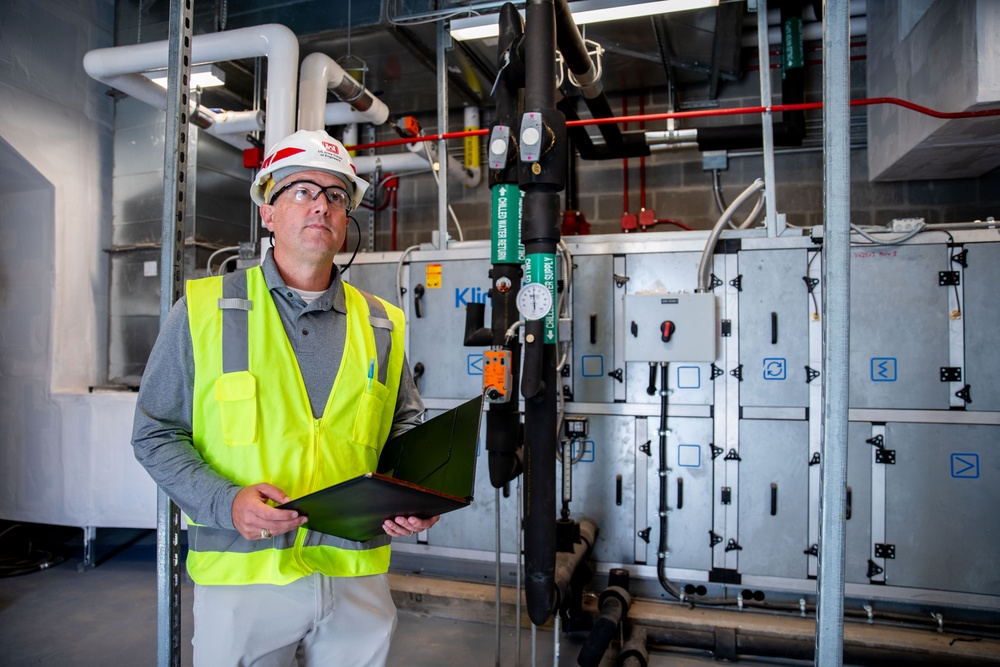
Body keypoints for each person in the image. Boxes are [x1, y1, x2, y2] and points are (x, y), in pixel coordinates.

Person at [131, 129, 436, 667]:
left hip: (355, 580)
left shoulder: (382, 322)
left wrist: (414, 495)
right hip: (244, 580)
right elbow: (156, 433)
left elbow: (403, 428)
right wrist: (224, 502)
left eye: (337, 196)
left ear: (347, 219)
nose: (321, 205)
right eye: (301, 190)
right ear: (267, 212)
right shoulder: (203, 311)